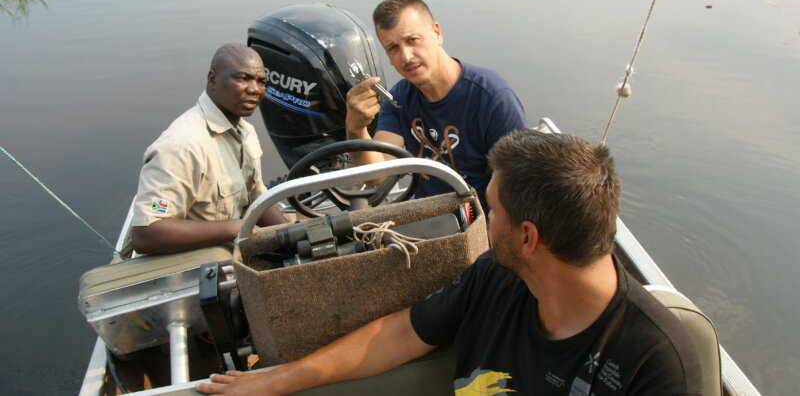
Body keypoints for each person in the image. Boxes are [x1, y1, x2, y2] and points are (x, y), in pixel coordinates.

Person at [196, 130, 703, 395]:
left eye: (493, 209)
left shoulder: (655, 362)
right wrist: (277, 379)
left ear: (527, 238)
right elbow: (399, 334)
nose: (483, 219)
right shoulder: (497, 276)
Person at [345, 0, 526, 211]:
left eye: (412, 40)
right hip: (433, 222)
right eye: (393, 48)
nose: (406, 57)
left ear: (437, 33)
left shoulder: (493, 98)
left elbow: (517, 188)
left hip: (486, 223)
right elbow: (377, 176)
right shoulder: (399, 98)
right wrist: (356, 128)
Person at [130, 44, 288, 254]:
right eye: (243, 78)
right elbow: (147, 232)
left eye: (261, 82)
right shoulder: (182, 146)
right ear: (212, 80)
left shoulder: (245, 132)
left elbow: (254, 197)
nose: (254, 90)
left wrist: (289, 234)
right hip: (194, 263)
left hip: (233, 248)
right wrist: (233, 228)